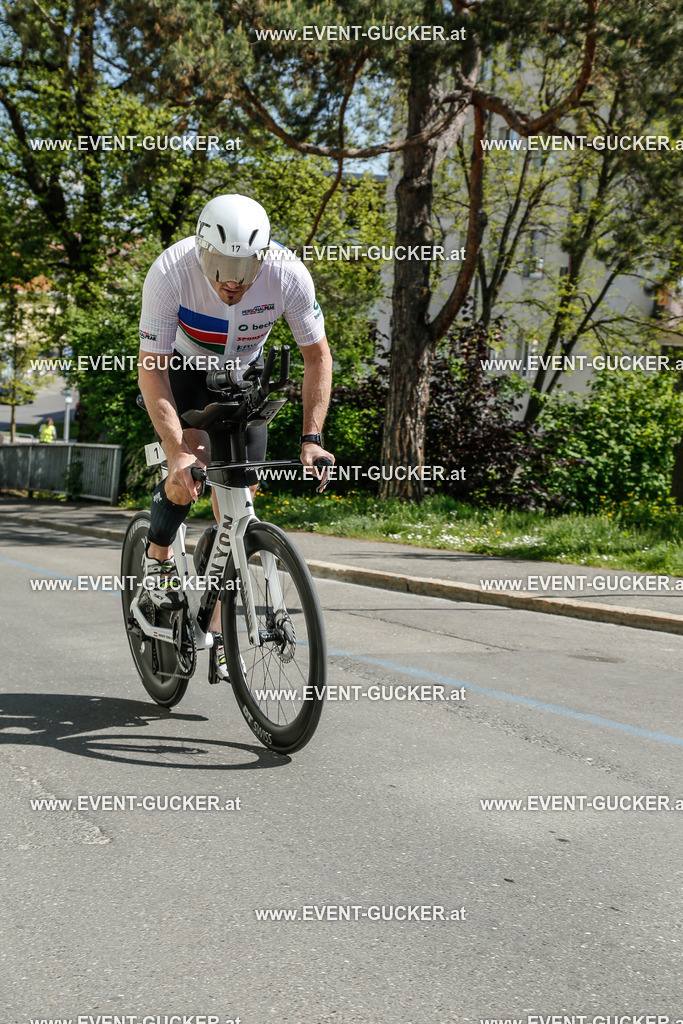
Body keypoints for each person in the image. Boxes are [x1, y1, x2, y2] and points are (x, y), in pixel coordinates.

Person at [137, 192, 335, 677]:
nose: (231, 280)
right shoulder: (170, 272)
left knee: (243, 495)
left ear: (263, 257)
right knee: (194, 463)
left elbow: (318, 357)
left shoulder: (288, 273)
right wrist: (176, 452)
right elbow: (152, 370)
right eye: (220, 265)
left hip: (245, 372)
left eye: (245, 269)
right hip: (183, 369)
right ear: (200, 250)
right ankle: (158, 554)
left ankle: (223, 632)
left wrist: (312, 437)